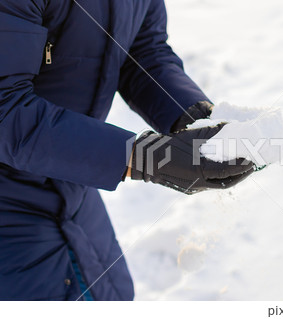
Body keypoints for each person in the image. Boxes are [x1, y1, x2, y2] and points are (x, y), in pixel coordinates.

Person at [0, 0, 253, 301]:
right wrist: (144, 157)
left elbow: (144, 53)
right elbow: (6, 110)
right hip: (10, 204)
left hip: (72, 185)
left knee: (113, 294)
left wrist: (194, 120)